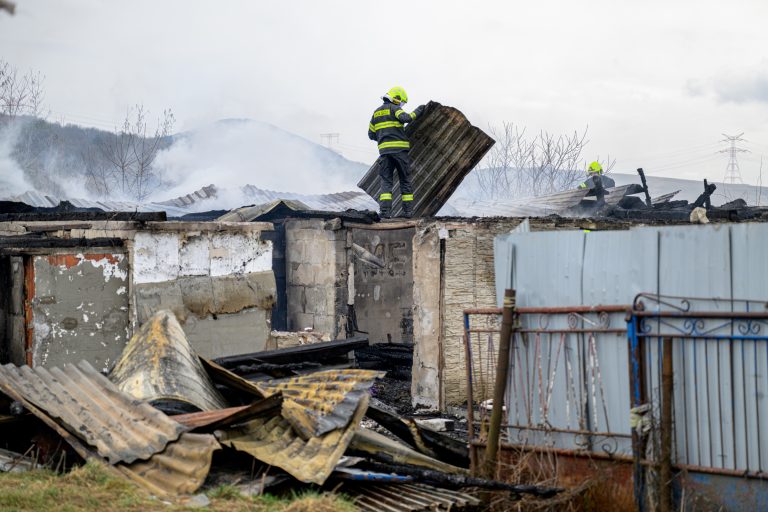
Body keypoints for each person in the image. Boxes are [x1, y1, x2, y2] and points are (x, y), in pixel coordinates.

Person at [368, 86, 425, 218]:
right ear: (396, 98)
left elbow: (371, 134)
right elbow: (407, 118)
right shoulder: (395, 109)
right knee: (404, 181)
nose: (401, 105)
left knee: (386, 182)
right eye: (401, 102)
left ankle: (385, 213)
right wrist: (419, 110)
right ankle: (408, 212)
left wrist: (384, 138)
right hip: (400, 152)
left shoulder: (376, 113)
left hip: (384, 153)